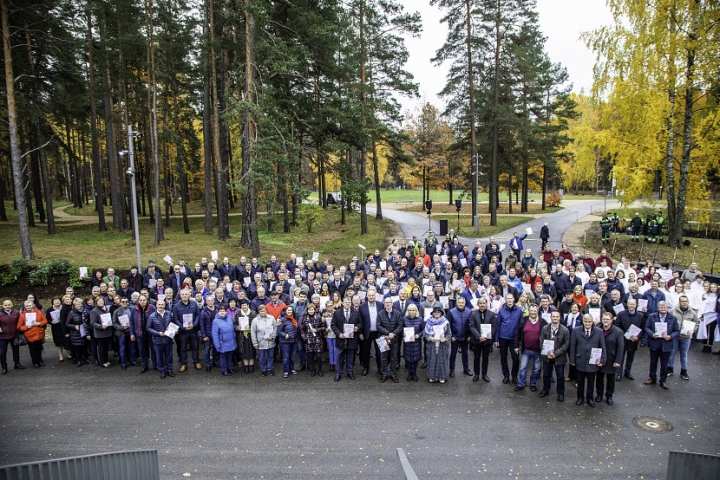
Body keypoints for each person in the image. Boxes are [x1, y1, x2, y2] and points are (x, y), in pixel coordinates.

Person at [569, 314, 606, 407]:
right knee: (580, 381)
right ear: (583, 322)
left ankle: (590, 398)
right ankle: (580, 397)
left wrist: (602, 360)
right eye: (586, 322)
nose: (587, 324)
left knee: (591, 381)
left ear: (592, 322)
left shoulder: (599, 331)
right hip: (580, 360)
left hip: (593, 361)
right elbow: (572, 346)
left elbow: (602, 346)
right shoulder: (576, 331)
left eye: (589, 322)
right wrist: (572, 360)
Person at [644, 301, 680, 389]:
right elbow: (646, 327)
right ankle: (652, 378)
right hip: (654, 343)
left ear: (667, 308)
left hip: (666, 344)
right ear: (658, 307)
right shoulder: (652, 316)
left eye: (664, 307)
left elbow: (677, 331)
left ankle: (663, 380)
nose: (663, 308)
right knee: (653, 362)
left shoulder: (672, 318)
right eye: (661, 307)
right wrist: (652, 334)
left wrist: (670, 337)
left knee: (664, 364)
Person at [539, 310, 570, 402]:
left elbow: (566, 344)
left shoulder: (565, 330)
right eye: (553, 316)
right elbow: (541, 341)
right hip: (547, 357)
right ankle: (546, 390)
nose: (555, 318)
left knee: (560, 376)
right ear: (550, 317)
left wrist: (555, 354)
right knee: (546, 374)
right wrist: (547, 353)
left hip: (559, 358)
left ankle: (560, 393)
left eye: (557, 316)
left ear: (559, 318)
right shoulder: (545, 328)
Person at [595, 312, 624, 405]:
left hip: (612, 359)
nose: (605, 321)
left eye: (608, 319)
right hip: (599, 358)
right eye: (604, 319)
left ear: (612, 320)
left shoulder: (618, 332)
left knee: (611, 379)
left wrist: (618, 361)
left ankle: (609, 395)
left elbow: (620, 347)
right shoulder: (597, 329)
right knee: (599, 378)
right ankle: (599, 394)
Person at [331, 296, 362, 382]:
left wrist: (357, 328)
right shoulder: (337, 313)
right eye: (346, 302)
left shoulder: (355, 312)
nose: (347, 304)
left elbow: (360, 323)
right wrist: (339, 333)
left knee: (350, 357)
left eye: (349, 302)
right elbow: (333, 325)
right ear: (342, 303)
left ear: (351, 303)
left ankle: (350, 372)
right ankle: (338, 373)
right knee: (339, 357)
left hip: (352, 340)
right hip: (341, 339)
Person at [514, 305, 543, 392]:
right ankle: (520, 384)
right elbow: (517, 334)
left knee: (536, 369)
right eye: (531, 311)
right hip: (525, 349)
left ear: (537, 311)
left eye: (535, 311)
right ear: (529, 311)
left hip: (538, 350)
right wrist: (516, 346)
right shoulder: (523, 320)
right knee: (523, 368)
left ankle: (533, 384)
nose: (533, 312)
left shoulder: (542, 322)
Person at [495, 293, 523, 384]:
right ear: (506, 300)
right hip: (503, 337)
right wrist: (496, 339)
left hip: (514, 338)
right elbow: (498, 325)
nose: (510, 300)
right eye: (508, 299)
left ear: (514, 299)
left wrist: (520, 339)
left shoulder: (519, 310)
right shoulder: (501, 310)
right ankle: (506, 375)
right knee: (503, 357)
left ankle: (514, 375)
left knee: (515, 358)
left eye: (511, 298)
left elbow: (521, 325)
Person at [668, 295, 698, 380]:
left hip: (686, 337)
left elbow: (697, 323)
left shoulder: (692, 312)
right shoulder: (673, 311)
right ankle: (670, 369)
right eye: (682, 301)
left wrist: (692, 330)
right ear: (679, 302)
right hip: (675, 336)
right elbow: (668, 321)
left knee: (684, 354)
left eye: (686, 301)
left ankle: (684, 371)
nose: (684, 303)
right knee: (672, 353)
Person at [614, 298, 643, 381]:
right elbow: (617, 325)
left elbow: (642, 328)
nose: (631, 305)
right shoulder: (621, 314)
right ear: (627, 304)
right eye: (630, 304)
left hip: (633, 340)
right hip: (623, 340)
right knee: (621, 357)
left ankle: (628, 372)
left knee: (630, 358)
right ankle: (619, 373)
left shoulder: (640, 315)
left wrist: (638, 337)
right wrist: (623, 335)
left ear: (636, 305)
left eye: (633, 304)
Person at [172, 288, 201, 372]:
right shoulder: (176, 306)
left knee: (195, 347)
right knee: (183, 348)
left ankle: (196, 362)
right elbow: (175, 318)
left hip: (193, 330)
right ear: (180, 296)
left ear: (189, 295)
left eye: (186, 294)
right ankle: (184, 363)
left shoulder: (194, 304)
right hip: (183, 331)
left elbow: (198, 315)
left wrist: (194, 324)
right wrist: (182, 327)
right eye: (183, 294)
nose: (184, 296)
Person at [146, 299, 175, 379]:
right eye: (159, 304)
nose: (161, 306)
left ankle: (169, 369)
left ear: (164, 305)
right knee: (159, 357)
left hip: (168, 339)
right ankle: (162, 371)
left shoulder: (169, 314)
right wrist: (157, 333)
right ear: (156, 305)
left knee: (169, 356)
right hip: (157, 340)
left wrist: (174, 330)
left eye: (162, 305)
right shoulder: (152, 316)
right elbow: (148, 328)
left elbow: (173, 323)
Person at [469, 298, 496, 383]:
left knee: (485, 358)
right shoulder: (473, 314)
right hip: (477, 340)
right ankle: (476, 374)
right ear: (478, 304)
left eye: (484, 303)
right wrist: (479, 336)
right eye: (480, 303)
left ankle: (484, 374)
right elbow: (472, 326)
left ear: (486, 304)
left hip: (487, 341)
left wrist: (488, 336)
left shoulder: (491, 314)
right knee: (476, 357)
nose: (482, 305)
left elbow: (494, 327)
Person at [377, 296, 403, 383]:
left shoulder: (398, 313)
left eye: (389, 302)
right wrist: (388, 333)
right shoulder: (380, 313)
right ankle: (384, 374)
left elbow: (400, 325)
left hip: (394, 339)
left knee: (394, 357)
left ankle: (393, 374)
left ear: (392, 304)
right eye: (386, 302)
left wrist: (393, 334)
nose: (388, 304)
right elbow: (378, 325)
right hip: (383, 339)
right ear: (384, 304)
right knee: (383, 357)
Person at [358, 288, 383, 376]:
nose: (371, 297)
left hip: (378, 332)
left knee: (379, 351)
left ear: (375, 296)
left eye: (373, 295)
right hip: (366, 332)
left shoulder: (381, 305)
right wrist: (360, 333)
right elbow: (360, 321)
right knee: (366, 351)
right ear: (367, 296)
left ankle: (380, 367)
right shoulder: (362, 306)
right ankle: (366, 367)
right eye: (370, 295)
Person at [424, 306, 451, 383]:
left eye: (438, 312)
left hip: (442, 344)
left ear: (441, 313)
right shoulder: (428, 322)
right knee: (432, 360)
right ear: (432, 313)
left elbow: (449, 333)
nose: (437, 313)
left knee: (442, 361)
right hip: (432, 344)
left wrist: (445, 339)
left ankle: (442, 377)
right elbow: (425, 333)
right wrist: (429, 338)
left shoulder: (445, 322)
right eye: (435, 312)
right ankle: (432, 376)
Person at [448, 296, 473, 378]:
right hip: (455, 337)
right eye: (459, 302)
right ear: (456, 303)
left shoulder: (469, 312)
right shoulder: (451, 312)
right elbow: (448, 325)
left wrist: (470, 335)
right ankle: (452, 369)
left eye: (462, 303)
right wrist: (451, 336)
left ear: (465, 303)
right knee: (453, 353)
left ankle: (466, 368)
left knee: (465, 353)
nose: (461, 304)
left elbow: (471, 325)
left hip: (466, 336)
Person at [131, 295, 156, 373]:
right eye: (141, 300)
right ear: (138, 301)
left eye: (144, 300)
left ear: (147, 300)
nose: (142, 302)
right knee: (142, 350)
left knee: (153, 350)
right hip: (140, 333)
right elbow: (131, 321)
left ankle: (155, 365)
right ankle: (144, 365)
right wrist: (132, 333)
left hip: (150, 333)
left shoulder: (152, 308)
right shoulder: (134, 309)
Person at [251, 303, 278, 376]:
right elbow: (253, 332)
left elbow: (275, 328)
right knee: (261, 357)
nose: (263, 312)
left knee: (271, 356)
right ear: (259, 312)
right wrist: (255, 343)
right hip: (261, 342)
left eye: (264, 311)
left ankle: (270, 369)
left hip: (270, 341)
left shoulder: (271, 318)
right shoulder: (255, 320)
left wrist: (273, 337)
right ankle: (263, 369)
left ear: (266, 310)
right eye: (261, 311)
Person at [211, 305, 237, 376]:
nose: (222, 312)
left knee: (229, 356)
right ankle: (224, 370)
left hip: (231, 341)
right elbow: (215, 334)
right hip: (223, 342)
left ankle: (229, 368)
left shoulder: (229, 318)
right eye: (220, 311)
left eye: (223, 311)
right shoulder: (215, 321)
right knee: (223, 357)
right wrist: (217, 345)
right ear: (218, 312)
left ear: (226, 311)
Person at [301, 303, 326, 377]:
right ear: (307, 310)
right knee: (310, 356)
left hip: (317, 339)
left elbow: (324, 327)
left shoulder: (318, 317)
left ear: (314, 310)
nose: (311, 311)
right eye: (309, 310)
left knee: (318, 356)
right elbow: (301, 329)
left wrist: (317, 330)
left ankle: (320, 370)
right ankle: (313, 370)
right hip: (308, 340)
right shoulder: (304, 318)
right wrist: (304, 337)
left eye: (312, 309)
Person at [89, 297, 114, 369]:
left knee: (106, 348)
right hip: (100, 333)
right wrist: (100, 326)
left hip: (107, 332)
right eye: (99, 301)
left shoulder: (106, 309)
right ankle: (102, 362)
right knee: (101, 348)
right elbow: (93, 322)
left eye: (101, 301)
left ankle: (106, 360)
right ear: (96, 302)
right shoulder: (94, 311)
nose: (100, 302)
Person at [402, 304, 424, 382]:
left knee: (415, 359)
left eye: (413, 310)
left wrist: (419, 335)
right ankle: (409, 373)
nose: (412, 312)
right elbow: (401, 329)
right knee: (408, 358)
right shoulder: (404, 319)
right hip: (407, 342)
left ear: (416, 311)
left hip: (416, 342)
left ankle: (414, 373)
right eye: (410, 310)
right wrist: (403, 335)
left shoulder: (420, 319)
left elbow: (424, 330)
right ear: (408, 311)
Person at [0, 300, 22, 373]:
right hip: (3, 337)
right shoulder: (0, 314)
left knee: (16, 350)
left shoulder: (16, 313)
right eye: (5, 305)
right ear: (3, 306)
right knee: (2, 352)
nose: (7, 306)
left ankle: (17, 363)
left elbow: (19, 323)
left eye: (9, 305)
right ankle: (4, 367)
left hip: (14, 335)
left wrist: (19, 334)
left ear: (12, 305)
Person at [234, 302, 257, 373]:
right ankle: (246, 366)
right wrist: (238, 327)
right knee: (243, 351)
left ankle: (251, 366)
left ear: (248, 305)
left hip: (251, 335)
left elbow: (257, 323)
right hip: (241, 336)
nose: (244, 306)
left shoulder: (253, 313)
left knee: (251, 351)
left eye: (245, 305)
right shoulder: (238, 314)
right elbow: (234, 324)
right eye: (242, 305)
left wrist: (252, 329)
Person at [277, 305, 299, 378]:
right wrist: (285, 335)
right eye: (288, 310)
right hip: (285, 341)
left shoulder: (294, 319)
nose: (289, 312)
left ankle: (291, 369)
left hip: (294, 340)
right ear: (285, 311)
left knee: (292, 356)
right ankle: (286, 370)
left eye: (291, 310)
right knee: (286, 357)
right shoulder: (282, 319)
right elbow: (279, 331)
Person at [111, 296, 133, 369]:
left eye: (126, 302)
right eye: (123, 302)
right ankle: (123, 363)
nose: (125, 303)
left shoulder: (131, 309)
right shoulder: (116, 311)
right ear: (120, 302)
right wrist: (122, 327)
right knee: (122, 348)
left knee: (131, 347)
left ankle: (132, 361)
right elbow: (114, 323)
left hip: (130, 331)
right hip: (121, 333)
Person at [46, 297, 66, 362]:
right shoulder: (50, 310)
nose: (57, 302)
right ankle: (60, 355)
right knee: (58, 342)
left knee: (66, 340)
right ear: (52, 302)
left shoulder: (64, 308)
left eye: (58, 301)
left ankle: (68, 353)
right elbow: (47, 319)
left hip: (64, 327)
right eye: (55, 301)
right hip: (56, 327)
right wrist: (51, 322)